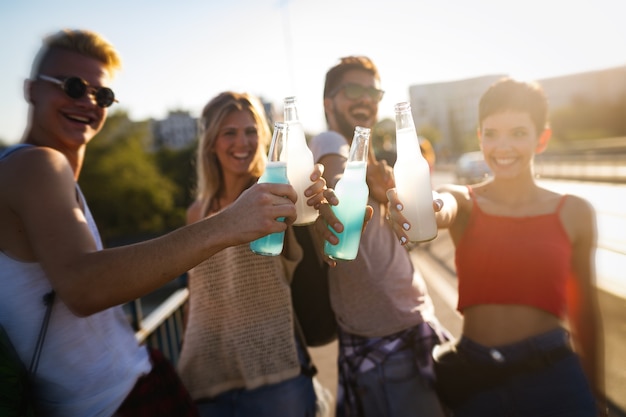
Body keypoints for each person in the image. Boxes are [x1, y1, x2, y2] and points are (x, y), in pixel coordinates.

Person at [0, 29, 301, 417]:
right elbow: (84, 286)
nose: (88, 102)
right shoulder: (38, 164)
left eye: (102, 95)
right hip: (115, 402)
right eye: (72, 86)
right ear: (31, 89)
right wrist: (228, 223)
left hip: (127, 384)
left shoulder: (41, 173)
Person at [388, 77, 607, 416]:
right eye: (492, 133)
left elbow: (586, 314)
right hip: (477, 377)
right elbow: (441, 205)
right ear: (480, 137)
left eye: (518, 133)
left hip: (555, 375)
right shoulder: (465, 201)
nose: (502, 146)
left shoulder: (575, 212)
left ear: (541, 138)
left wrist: (595, 395)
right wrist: (418, 207)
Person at [176, 91, 331, 416]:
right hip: (208, 375)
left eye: (250, 131)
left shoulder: (276, 192)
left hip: (275, 373)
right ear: (211, 142)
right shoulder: (197, 213)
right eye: (229, 132)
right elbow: (196, 296)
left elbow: (307, 218)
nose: (242, 142)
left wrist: (315, 199)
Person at [310, 56, 449, 417]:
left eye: (373, 92)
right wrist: (340, 193)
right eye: (353, 90)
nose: (366, 99)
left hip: (410, 323)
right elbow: (340, 175)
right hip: (386, 341)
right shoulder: (331, 141)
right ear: (329, 103)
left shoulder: (370, 155)